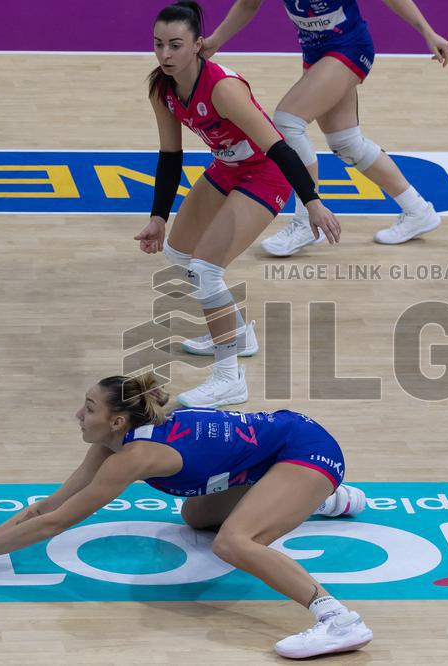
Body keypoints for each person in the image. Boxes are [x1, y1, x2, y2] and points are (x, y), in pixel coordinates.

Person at [0, 372, 373, 659]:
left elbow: (57, 524)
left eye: (89, 407)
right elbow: (50, 506)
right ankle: (317, 499)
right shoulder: (111, 444)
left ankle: (336, 619)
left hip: (305, 449)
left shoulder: (133, 457)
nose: (78, 415)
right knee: (197, 517)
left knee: (233, 542)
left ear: (118, 421)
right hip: (265, 461)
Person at [133, 0, 342, 407]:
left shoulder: (223, 89)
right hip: (227, 166)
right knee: (178, 253)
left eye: (175, 45)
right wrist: (158, 217)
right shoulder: (162, 88)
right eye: (158, 44)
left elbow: (279, 147)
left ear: (198, 45)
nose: (165, 55)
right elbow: (170, 156)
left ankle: (230, 378)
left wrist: (312, 201)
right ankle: (237, 333)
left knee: (206, 272)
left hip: (267, 171)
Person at [201, 0, 448, 258]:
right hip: (317, 53)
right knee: (346, 141)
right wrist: (216, 40)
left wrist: (428, 32)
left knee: (288, 121)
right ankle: (418, 210)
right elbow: (248, 4)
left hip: (349, 48)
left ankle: (305, 221)